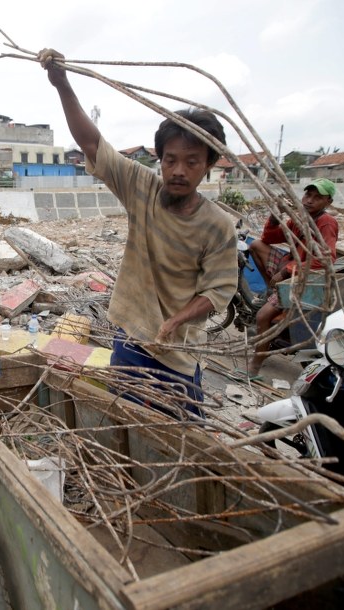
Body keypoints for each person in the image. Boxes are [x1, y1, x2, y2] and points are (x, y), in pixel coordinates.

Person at [40, 49, 238, 416]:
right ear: (160, 159)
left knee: (179, 431)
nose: (179, 171)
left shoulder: (218, 226)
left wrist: (176, 321)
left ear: (209, 164)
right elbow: (92, 144)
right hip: (130, 337)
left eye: (192, 162)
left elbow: (219, 291)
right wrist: (62, 84)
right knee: (127, 424)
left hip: (176, 352)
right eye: (170, 160)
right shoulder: (141, 187)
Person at [247, 178, 339, 376]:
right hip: (290, 268)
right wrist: (275, 215)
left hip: (305, 278)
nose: (309, 200)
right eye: (308, 195)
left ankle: (255, 364)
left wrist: (287, 271)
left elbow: (326, 259)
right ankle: (271, 290)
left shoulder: (326, 222)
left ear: (328, 202)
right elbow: (269, 238)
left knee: (262, 316)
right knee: (255, 246)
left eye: (317, 197)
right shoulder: (300, 219)